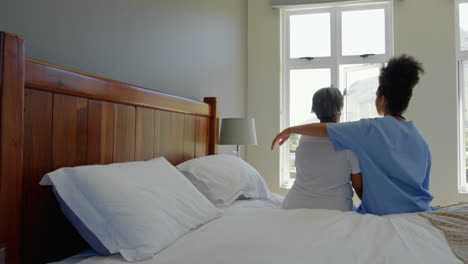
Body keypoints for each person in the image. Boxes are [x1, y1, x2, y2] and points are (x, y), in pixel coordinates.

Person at [272, 54, 433, 216]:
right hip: (419, 213)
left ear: (382, 99)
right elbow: (422, 187)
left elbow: (325, 129)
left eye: (376, 95)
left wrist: (290, 130)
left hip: (383, 213)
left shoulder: (368, 129)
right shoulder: (420, 139)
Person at [281, 87, 362, 211]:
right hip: (336, 208)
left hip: (294, 206)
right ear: (339, 109)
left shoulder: (304, 138)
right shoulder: (348, 141)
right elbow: (358, 187)